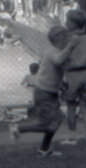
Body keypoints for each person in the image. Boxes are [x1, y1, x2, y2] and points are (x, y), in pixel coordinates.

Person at [9, 25, 71, 157]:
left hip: (50, 92)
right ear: (59, 39)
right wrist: (71, 46)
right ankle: (18, 128)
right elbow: (59, 61)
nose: (68, 40)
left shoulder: (56, 51)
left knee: (58, 118)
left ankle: (45, 148)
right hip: (44, 92)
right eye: (66, 37)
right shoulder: (53, 52)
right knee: (46, 123)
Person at [57, 8, 86, 147]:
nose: (66, 23)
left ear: (73, 24)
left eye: (68, 20)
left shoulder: (67, 39)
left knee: (71, 106)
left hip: (73, 74)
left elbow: (62, 58)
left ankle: (72, 136)